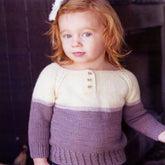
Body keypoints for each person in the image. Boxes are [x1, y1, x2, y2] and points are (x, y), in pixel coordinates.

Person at [28, 0, 165, 165]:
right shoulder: (53, 74)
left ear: (109, 36)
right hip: (62, 162)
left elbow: (137, 117)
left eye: (86, 34)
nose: (75, 42)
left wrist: (162, 133)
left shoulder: (124, 79)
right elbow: (39, 121)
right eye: (67, 35)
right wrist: (39, 160)